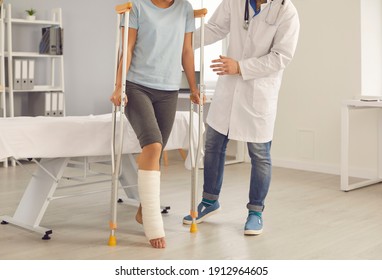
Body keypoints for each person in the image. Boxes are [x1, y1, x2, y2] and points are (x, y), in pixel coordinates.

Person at [183, 0, 300, 235]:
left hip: (258, 89)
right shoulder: (235, 2)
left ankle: (255, 211)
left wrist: (241, 67)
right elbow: (214, 28)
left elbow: (281, 57)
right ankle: (209, 201)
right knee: (214, 144)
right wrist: (183, 43)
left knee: (260, 154)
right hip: (229, 90)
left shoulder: (286, 11)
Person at [110, 0, 198, 249]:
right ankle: (152, 220)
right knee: (153, 145)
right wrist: (119, 85)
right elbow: (127, 47)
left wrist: (193, 88)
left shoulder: (185, 9)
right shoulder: (138, 6)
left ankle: (142, 210)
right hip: (137, 86)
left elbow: (187, 51)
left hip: (169, 90)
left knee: (156, 153)